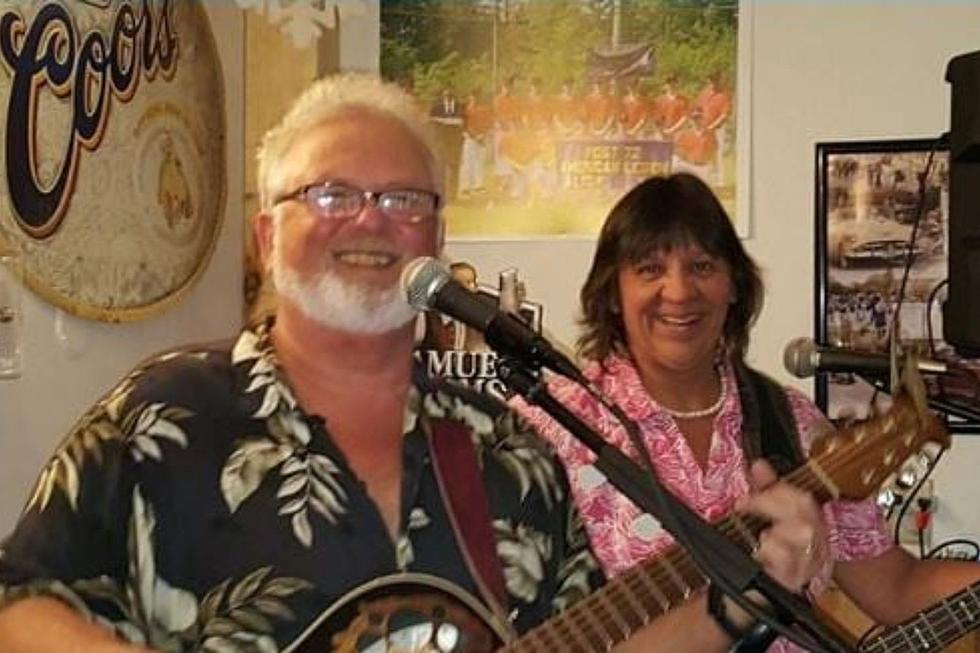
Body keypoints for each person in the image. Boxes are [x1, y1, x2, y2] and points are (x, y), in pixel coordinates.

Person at [0, 77, 828, 653]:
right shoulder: (160, 415)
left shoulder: (510, 451)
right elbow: (19, 608)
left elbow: (597, 638)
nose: (371, 221)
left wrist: (733, 603)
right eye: (329, 194)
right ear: (265, 237)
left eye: (404, 200)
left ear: (435, 241)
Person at [514, 173, 980, 652]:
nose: (678, 292)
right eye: (650, 269)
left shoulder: (790, 423)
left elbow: (896, 588)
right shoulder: (545, 428)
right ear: (613, 293)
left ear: (734, 286)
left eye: (701, 266)